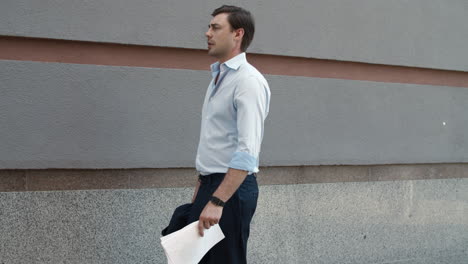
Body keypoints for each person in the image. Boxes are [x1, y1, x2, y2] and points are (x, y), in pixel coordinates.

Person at [187, 5, 271, 264]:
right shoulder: (219, 78)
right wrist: (201, 189)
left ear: (238, 34)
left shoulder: (248, 81)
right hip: (212, 186)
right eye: (209, 27)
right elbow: (216, 142)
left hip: (229, 192)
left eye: (215, 27)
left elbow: (247, 153)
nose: (207, 33)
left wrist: (217, 200)